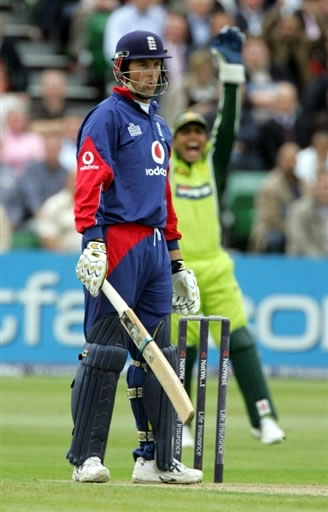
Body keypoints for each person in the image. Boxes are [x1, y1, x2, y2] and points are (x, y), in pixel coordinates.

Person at [67, 30, 202, 485]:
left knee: (158, 354)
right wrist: (92, 240)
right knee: (106, 352)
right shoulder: (106, 117)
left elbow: (164, 193)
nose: (150, 72)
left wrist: (177, 259)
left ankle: (155, 460)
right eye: (142, 64)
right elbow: (89, 180)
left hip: (154, 247)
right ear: (122, 68)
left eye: (156, 64)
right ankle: (85, 458)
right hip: (118, 242)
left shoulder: (161, 125)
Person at [170, 26, 285, 447]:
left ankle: (264, 417)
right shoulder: (164, 171)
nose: (195, 138)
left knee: (239, 339)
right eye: (186, 133)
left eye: (199, 132)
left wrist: (231, 70)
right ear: (175, 139)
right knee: (186, 351)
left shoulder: (210, 169)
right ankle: (179, 423)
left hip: (216, 268)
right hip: (178, 272)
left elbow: (230, 122)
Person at [286, 171, 328, 256]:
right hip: (306, 263)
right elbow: (299, 242)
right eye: (325, 187)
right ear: (316, 188)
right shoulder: (298, 211)